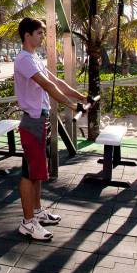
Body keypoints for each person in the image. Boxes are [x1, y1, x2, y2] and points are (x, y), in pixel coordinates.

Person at [13, 17, 89, 241]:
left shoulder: (34, 58)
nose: (42, 37)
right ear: (27, 35)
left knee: (36, 172)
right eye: (39, 33)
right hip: (32, 121)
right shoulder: (23, 60)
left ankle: (36, 212)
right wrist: (72, 105)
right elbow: (47, 86)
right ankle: (27, 223)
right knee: (29, 173)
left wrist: (80, 96)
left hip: (40, 120)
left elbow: (55, 80)